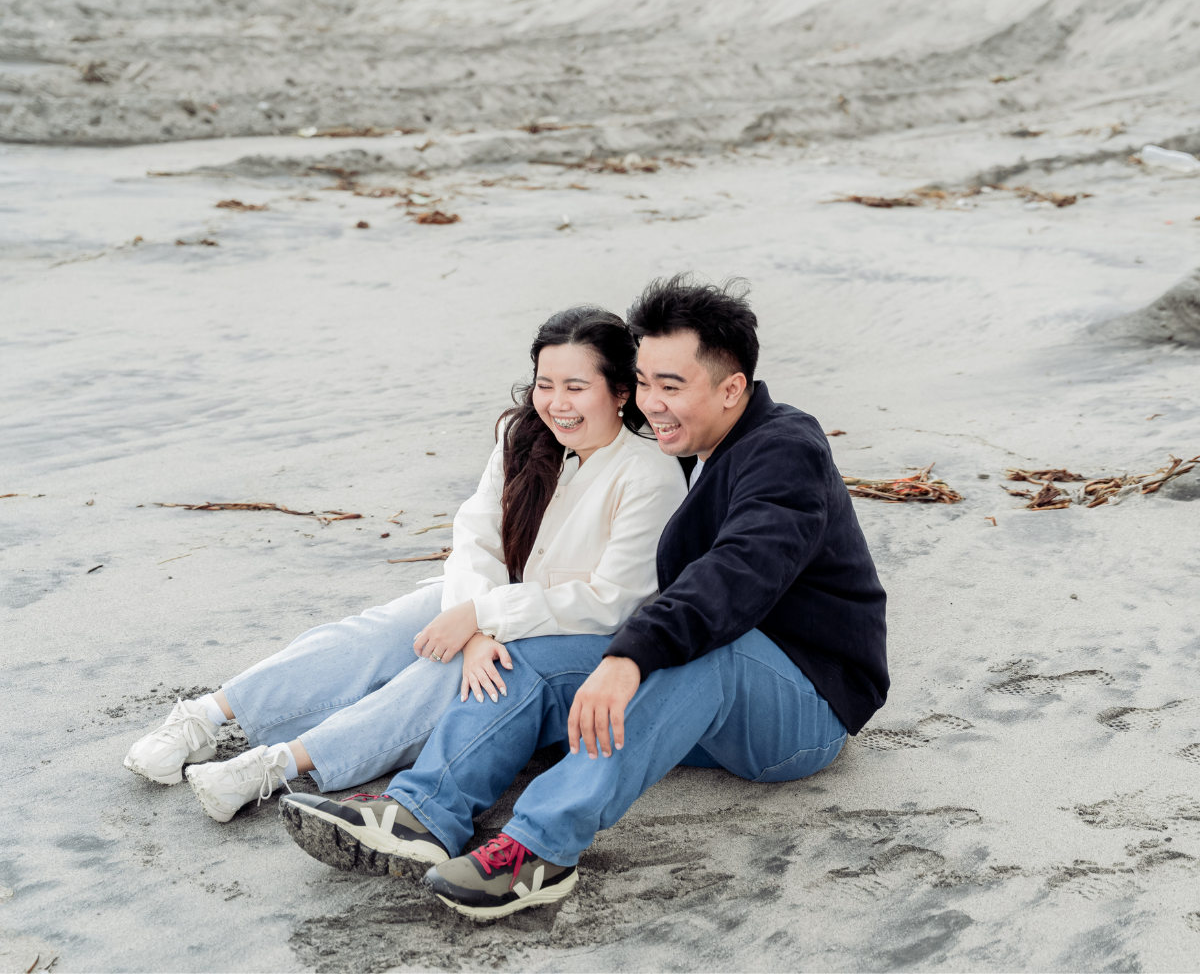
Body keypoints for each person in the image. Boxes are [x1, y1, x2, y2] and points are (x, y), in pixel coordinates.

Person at [278, 275, 888, 915]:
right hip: (700, 713)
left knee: (705, 654)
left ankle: (537, 849)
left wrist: (629, 656)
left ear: (732, 388)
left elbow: (738, 573)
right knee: (527, 651)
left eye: (671, 386)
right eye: (644, 383)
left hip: (804, 707)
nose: (651, 404)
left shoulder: (784, 450)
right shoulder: (687, 446)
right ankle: (422, 814)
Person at [122, 306, 687, 865]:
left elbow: (611, 600)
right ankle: (206, 716)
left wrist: (483, 621)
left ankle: (275, 765)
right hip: (493, 599)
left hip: (568, 634)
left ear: (620, 392)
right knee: (384, 630)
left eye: (576, 388)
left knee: (452, 673)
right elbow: (477, 538)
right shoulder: (521, 437)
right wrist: (472, 622)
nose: (557, 403)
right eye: (545, 385)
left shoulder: (648, 473)